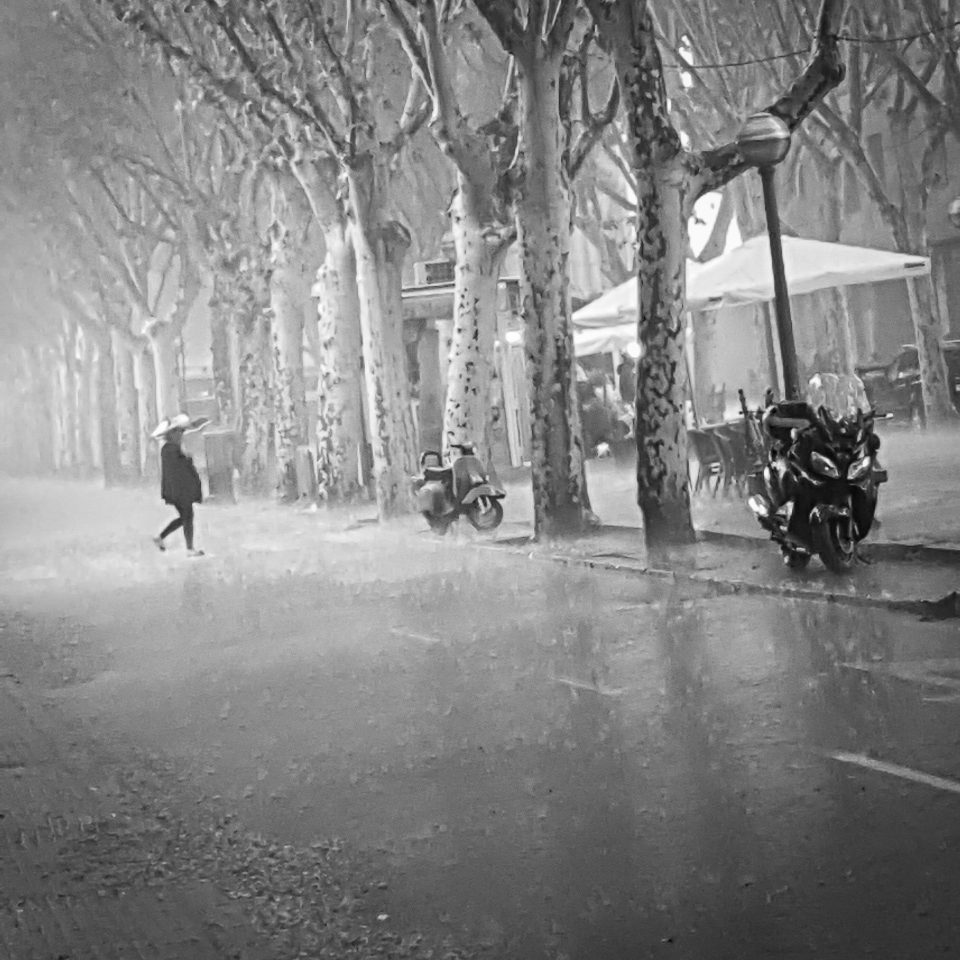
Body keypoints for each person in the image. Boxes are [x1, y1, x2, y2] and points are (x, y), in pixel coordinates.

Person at [151, 414, 205, 556]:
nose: (182, 435)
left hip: (178, 490)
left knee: (184, 517)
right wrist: (187, 459)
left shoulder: (171, 449)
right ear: (172, 434)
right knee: (187, 516)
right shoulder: (171, 450)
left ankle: (161, 538)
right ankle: (189, 548)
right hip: (180, 490)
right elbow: (180, 471)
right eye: (179, 432)